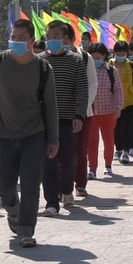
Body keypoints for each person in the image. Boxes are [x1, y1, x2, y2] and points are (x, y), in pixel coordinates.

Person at [0, 19, 58, 248]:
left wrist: (53, 139)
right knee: (4, 185)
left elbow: (50, 106)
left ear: (32, 41)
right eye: (14, 37)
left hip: (34, 134)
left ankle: (26, 230)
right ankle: (13, 210)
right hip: (4, 134)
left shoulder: (43, 68)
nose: (17, 42)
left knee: (32, 185)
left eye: (22, 38)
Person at [40, 21, 88, 216]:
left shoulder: (75, 60)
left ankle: (67, 189)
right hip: (44, 121)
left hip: (68, 119)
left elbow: (82, 90)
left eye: (57, 36)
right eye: (49, 36)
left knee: (68, 159)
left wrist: (79, 114)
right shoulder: (39, 61)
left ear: (65, 37)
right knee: (48, 162)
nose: (53, 40)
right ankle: (51, 202)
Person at [66, 26, 97, 199]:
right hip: (60, 112)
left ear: (71, 39)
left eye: (63, 39)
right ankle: (63, 185)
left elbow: (92, 83)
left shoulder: (85, 57)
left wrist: (85, 104)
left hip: (83, 112)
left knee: (80, 149)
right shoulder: (50, 58)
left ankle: (80, 183)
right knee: (62, 151)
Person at [86, 42, 123, 182]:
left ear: (105, 56)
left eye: (98, 57)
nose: (96, 60)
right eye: (93, 57)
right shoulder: (86, 70)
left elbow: (118, 91)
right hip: (91, 112)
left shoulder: (111, 71)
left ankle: (108, 165)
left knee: (108, 140)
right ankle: (92, 169)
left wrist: (118, 107)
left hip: (108, 112)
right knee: (92, 142)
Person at [109, 41, 133, 169]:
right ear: (115, 52)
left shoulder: (132, 66)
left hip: (129, 102)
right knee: (116, 128)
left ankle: (126, 152)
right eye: (118, 52)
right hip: (114, 103)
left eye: (123, 52)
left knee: (127, 127)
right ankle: (118, 148)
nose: (121, 54)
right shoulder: (109, 65)